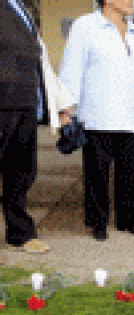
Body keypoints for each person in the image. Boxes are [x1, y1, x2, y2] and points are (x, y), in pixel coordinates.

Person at [59, 0, 134, 240]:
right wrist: (66, 107)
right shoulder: (86, 26)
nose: (130, 0)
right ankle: (98, 222)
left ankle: (128, 221)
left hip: (130, 115)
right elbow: (72, 68)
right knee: (97, 174)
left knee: (129, 173)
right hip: (98, 114)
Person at [1, 0, 75, 255]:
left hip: (26, 102)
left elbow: (40, 61)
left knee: (22, 172)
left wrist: (59, 104)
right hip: (3, 101)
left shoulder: (22, 9)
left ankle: (20, 233)